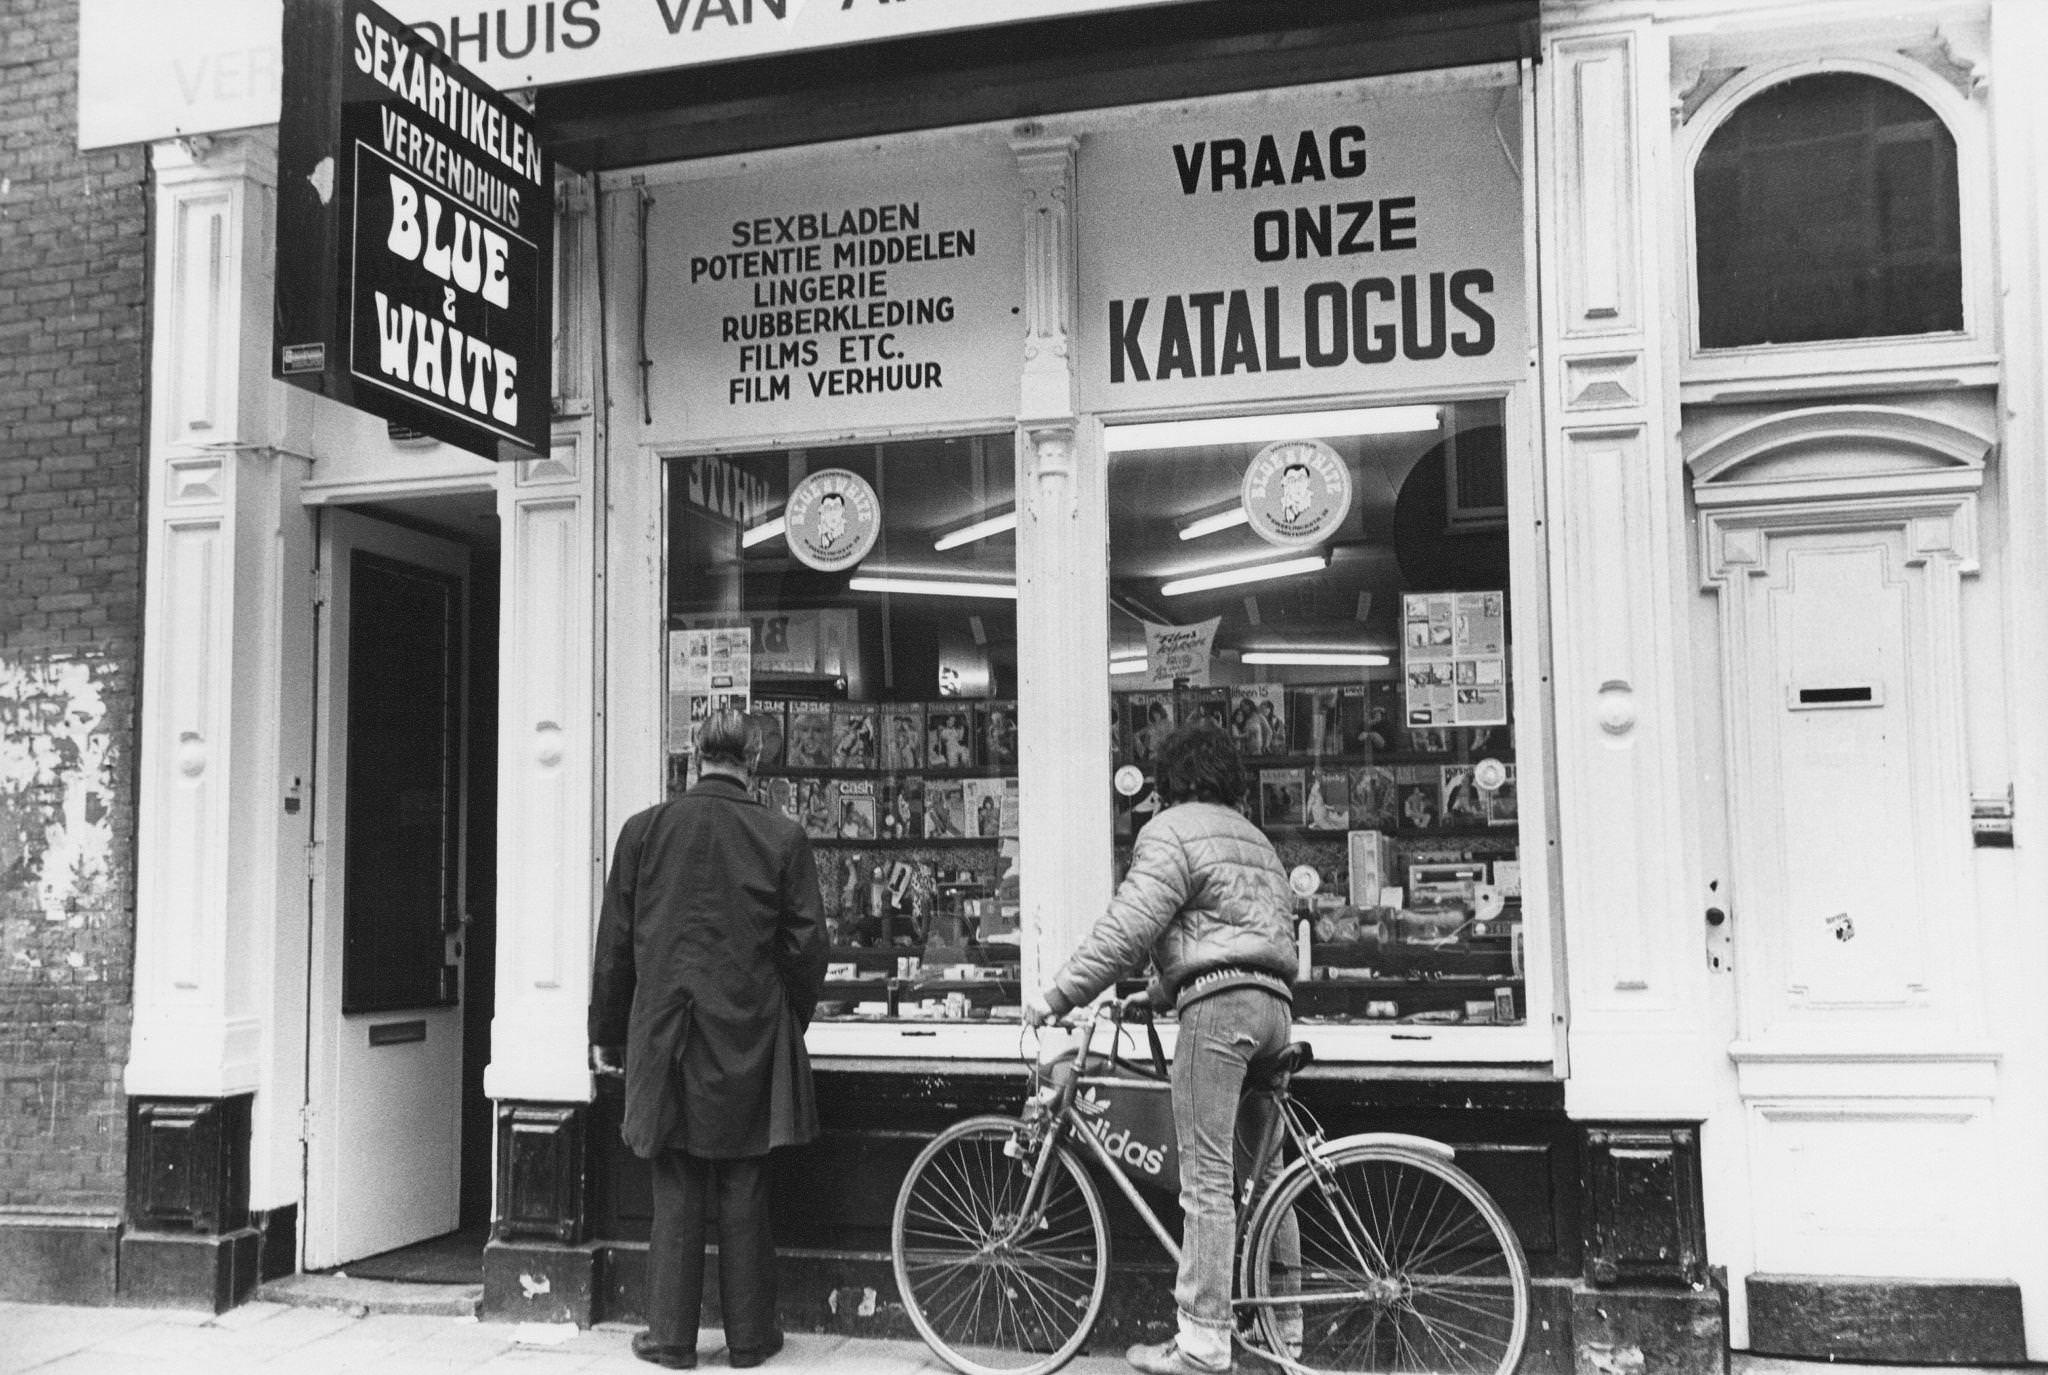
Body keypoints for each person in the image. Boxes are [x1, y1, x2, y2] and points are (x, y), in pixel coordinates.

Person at [1024, 721, 1297, 1375]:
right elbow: (1228, 931)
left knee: (1206, 1179)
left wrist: (1056, 995)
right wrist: (1158, 990)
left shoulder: (1170, 830)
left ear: (1168, 783)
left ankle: (1203, 1342)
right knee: (1269, 1178)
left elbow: (1127, 928)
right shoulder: (1256, 840)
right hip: (1275, 1009)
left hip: (1221, 1012)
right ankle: (1289, 1329)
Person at [589, 711, 828, 1371]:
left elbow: (615, 946)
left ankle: (670, 1338)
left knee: (676, 1174)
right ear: (755, 757)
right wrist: (787, 1019)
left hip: (665, 1031)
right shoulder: (783, 835)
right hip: (747, 1029)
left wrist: (606, 1033)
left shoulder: (643, 831)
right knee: (745, 1176)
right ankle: (751, 1339)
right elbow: (807, 948)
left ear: (695, 754)